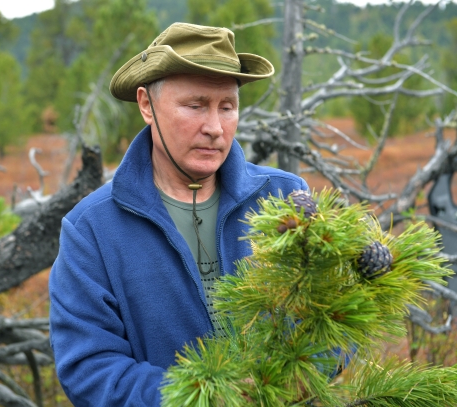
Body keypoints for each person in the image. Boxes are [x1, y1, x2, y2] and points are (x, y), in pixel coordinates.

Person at [49, 22, 309, 407]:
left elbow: (336, 314)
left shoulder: (283, 197)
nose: (215, 128)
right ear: (146, 105)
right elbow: (89, 369)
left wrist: (295, 380)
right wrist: (208, 397)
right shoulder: (91, 230)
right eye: (195, 106)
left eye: (227, 107)